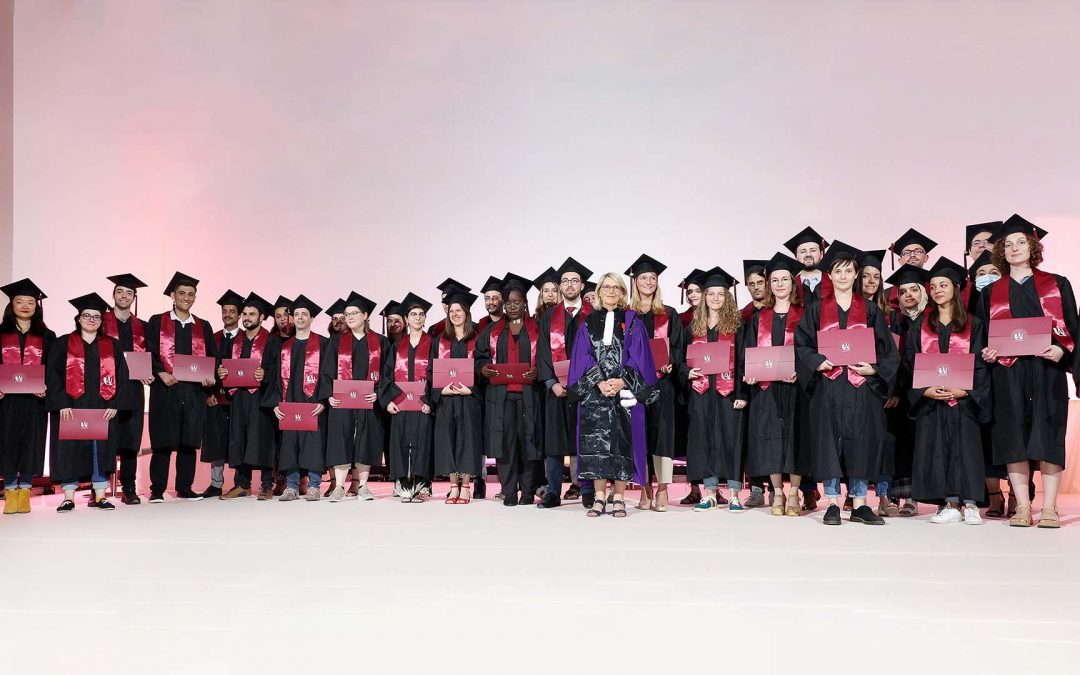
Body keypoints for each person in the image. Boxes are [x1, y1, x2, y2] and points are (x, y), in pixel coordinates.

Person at [978, 215, 1078, 528]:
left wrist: (1062, 350)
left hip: (1046, 370)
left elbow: (1072, 330)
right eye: (1007, 244)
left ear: (1032, 246)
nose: (1014, 248)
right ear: (1001, 252)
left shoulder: (1057, 283)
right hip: (1007, 373)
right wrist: (987, 353)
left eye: (1021, 242)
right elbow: (982, 340)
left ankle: (1049, 507)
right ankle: (1022, 506)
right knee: (1012, 435)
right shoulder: (989, 293)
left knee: (1048, 434)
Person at [794, 242, 899, 525]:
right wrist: (817, 361)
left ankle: (861, 503)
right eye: (838, 271)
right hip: (828, 387)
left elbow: (888, 351)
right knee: (829, 442)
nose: (843, 276)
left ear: (856, 275)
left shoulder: (870, 311)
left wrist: (873, 369)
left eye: (848, 271)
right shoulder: (816, 310)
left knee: (862, 442)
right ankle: (832, 502)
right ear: (830, 275)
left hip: (861, 388)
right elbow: (802, 344)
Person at [904, 258, 990, 524]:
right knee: (937, 449)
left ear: (956, 288)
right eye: (934, 285)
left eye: (944, 284)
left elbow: (980, 364)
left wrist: (965, 391)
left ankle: (971, 503)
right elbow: (910, 363)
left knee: (967, 448)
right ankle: (950, 503)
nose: (938, 289)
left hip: (964, 401)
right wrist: (924, 391)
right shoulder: (920, 325)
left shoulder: (973, 324)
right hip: (932, 400)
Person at [567, 272, 658, 518]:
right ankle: (598, 498)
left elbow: (639, 355)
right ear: (598, 292)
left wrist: (622, 381)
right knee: (596, 444)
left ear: (621, 293)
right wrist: (598, 381)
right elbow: (582, 355)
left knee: (622, 443)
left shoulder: (631, 320)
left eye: (615, 288)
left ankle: (618, 497)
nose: (610, 291)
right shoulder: (588, 321)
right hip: (595, 394)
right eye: (605, 287)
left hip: (623, 392)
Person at [47, 293, 130, 512]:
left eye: (96, 316)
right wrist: (62, 402)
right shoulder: (63, 343)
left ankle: (101, 495)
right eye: (87, 315)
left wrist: (115, 403)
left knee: (99, 449)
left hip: (102, 407)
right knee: (69, 449)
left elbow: (122, 376)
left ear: (102, 321)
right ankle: (68, 496)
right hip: (71, 407)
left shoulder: (112, 345)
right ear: (78, 318)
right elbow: (53, 375)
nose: (91, 319)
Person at [740, 253, 809, 516]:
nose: (780, 284)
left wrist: (801, 373)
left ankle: (794, 494)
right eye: (775, 280)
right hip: (766, 388)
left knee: (796, 436)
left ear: (792, 283)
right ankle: (778, 493)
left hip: (796, 387)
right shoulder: (759, 318)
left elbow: (809, 350)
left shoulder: (805, 314)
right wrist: (750, 374)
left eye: (785, 279)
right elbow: (749, 351)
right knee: (770, 438)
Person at [144, 272, 217, 503]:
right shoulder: (157, 321)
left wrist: (209, 378)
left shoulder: (203, 326)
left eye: (191, 294)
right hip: (166, 391)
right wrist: (159, 371)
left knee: (188, 441)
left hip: (194, 393)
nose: (187, 297)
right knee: (163, 441)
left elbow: (213, 359)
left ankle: (184, 488)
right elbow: (148, 351)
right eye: (182, 293)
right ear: (173, 296)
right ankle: (157, 489)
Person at [681, 267, 747, 511]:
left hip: (728, 393)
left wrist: (742, 394)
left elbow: (743, 361)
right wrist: (687, 372)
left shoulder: (738, 326)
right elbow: (680, 359)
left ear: (727, 297)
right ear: (704, 296)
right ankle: (708, 493)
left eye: (721, 294)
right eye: (711, 294)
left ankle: (733, 494)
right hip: (700, 393)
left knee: (731, 439)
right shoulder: (692, 328)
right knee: (704, 439)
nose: (716, 299)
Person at [476, 274, 543, 506]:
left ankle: (527, 491)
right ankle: (509, 491)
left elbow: (546, 359)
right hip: (500, 397)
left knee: (528, 442)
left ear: (525, 303)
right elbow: (480, 357)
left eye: (517, 301)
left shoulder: (536, 329)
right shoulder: (493, 331)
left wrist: (538, 372)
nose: (512, 306)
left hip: (529, 396)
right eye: (509, 302)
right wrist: (484, 369)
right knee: (505, 445)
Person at [626, 254, 685, 512]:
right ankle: (643, 488)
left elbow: (679, 349)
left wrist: (673, 364)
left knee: (662, 435)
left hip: (663, 385)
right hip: (634, 385)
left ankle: (662, 489)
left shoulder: (669, 314)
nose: (648, 282)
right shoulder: (626, 316)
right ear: (635, 283)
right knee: (639, 435)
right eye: (643, 278)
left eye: (652, 278)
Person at [535, 257, 594, 509]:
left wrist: (587, 383)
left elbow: (600, 353)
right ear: (560, 286)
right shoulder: (549, 316)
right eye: (565, 281)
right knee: (556, 442)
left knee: (587, 439)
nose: (569, 285)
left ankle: (589, 489)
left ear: (582, 286)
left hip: (587, 391)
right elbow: (543, 354)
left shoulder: (595, 315)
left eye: (574, 280)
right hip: (556, 391)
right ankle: (553, 492)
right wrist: (551, 382)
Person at [323, 292, 390, 502]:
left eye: (354, 313)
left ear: (365, 315)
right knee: (341, 439)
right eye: (347, 314)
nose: (349, 317)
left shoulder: (381, 342)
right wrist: (328, 396)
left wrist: (379, 393)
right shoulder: (336, 342)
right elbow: (326, 372)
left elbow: (388, 373)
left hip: (369, 401)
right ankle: (339, 487)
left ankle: (363, 486)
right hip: (342, 402)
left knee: (366, 439)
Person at [263, 294, 329, 502]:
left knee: (313, 442)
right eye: (297, 314)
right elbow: (275, 378)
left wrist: (322, 400)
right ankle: (291, 486)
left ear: (311, 318)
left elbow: (328, 374)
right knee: (290, 441)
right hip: (289, 400)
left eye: (304, 314)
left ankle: (314, 485)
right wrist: (275, 404)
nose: (300, 318)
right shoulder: (284, 346)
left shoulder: (323, 344)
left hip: (312, 402)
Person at [0, 279, 53, 515]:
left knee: (32, 443)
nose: (25, 305)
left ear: (36, 306)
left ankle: (26, 492)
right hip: (6, 401)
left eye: (30, 302)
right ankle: (11, 491)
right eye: (19, 301)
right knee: (7, 442)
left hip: (35, 401)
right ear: (11, 304)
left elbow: (54, 368)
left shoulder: (47, 335)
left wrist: (46, 385)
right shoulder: (1, 333)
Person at [102, 272, 155, 505]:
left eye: (129, 293)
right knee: (106, 438)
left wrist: (149, 372)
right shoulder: (100, 321)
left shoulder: (142, 326)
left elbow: (150, 355)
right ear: (113, 294)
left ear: (134, 297)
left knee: (131, 440)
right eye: (120, 291)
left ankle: (129, 488)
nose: (124, 296)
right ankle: (99, 489)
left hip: (133, 389)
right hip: (106, 388)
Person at [219, 293, 278, 500]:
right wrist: (222, 374)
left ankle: (266, 484)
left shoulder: (271, 341)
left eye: (252, 314)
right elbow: (224, 365)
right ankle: (242, 484)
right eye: (245, 313)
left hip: (260, 398)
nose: (247, 317)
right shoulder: (234, 340)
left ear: (262, 317)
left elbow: (278, 370)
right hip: (238, 397)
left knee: (262, 439)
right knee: (240, 438)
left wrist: (267, 374)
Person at [429, 290, 483, 504]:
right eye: (452, 310)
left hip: (468, 399)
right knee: (448, 440)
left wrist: (471, 390)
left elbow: (482, 370)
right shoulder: (440, 341)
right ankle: (453, 486)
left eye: (459, 310)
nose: (455, 314)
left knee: (468, 440)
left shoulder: (478, 339)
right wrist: (440, 390)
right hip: (447, 399)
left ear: (467, 313)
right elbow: (431, 371)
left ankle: (466, 486)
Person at [967, 250, 1009, 516]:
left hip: (1009, 375)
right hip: (979, 377)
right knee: (984, 435)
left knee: (1014, 431)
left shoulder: (1011, 298)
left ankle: (1019, 493)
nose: (987, 278)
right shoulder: (968, 306)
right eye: (980, 274)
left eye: (992, 272)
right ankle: (994, 496)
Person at [383, 292, 435, 502]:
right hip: (401, 404)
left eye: (421, 314)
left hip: (423, 404)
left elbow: (435, 374)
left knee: (423, 443)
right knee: (400, 442)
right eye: (413, 314)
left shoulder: (433, 343)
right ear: (406, 319)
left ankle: (422, 486)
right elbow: (387, 375)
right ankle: (403, 484)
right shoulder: (397, 346)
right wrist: (388, 401)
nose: (417, 318)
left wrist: (430, 401)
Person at [885, 263, 927, 516]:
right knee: (898, 443)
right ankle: (897, 495)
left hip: (926, 392)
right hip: (901, 392)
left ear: (924, 292)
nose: (908, 295)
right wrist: (895, 389)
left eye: (914, 290)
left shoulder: (933, 320)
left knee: (921, 445)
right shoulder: (893, 321)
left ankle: (917, 497)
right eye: (903, 292)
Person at [199, 289, 244, 499]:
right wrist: (207, 392)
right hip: (215, 398)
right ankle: (216, 483)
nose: (227, 314)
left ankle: (240, 483)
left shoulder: (247, 339)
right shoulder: (212, 338)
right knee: (216, 441)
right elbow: (204, 367)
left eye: (232, 311)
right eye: (224, 310)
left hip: (239, 400)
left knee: (237, 440)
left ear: (239, 314)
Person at [677, 269, 706, 505]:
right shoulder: (682, 321)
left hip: (718, 387)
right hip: (690, 388)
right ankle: (695, 487)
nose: (693, 295)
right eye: (690, 291)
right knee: (693, 440)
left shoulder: (725, 320)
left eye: (698, 291)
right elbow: (678, 355)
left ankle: (716, 486)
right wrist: (686, 373)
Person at [783, 226, 832, 304]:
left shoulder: (833, 281)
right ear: (795, 257)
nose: (808, 254)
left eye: (813, 250)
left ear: (822, 254)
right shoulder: (790, 284)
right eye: (803, 251)